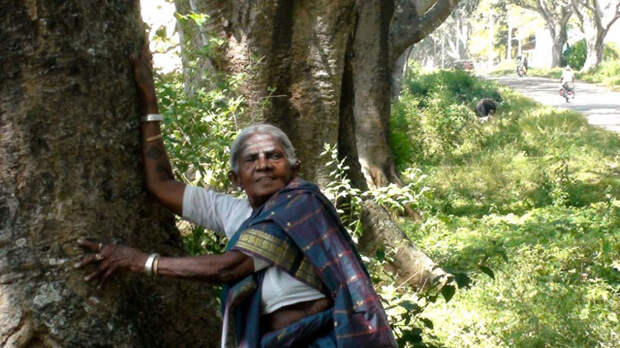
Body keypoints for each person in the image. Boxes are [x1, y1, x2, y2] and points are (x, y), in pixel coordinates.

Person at [75, 45, 397, 347]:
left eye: (274, 156)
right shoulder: (236, 213)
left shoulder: (300, 204)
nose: (264, 166)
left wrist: (140, 261)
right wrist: (148, 102)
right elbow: (160, 185)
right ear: (236, 177)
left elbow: (230, 268)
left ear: (295, 168)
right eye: (251, 159)